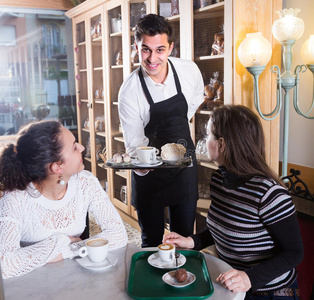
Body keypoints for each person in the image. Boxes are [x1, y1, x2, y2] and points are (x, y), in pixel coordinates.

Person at [163, 105, 304, 299]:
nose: (205, 141)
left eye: (208, 135)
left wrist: (249, 278)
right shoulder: (219, 180)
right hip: (232, 284)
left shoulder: (269, 194)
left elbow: (295, 253)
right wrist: (192, 241)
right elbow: (223, 228)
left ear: (221, 144)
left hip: (269, 292)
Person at [0, 120, 128, 279]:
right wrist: (61, 241)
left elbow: (118, 234)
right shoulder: (14, 198)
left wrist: (69, 249)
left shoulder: (85, 182)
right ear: (57, 167)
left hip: (76, 277)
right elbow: (4, 264)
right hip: (31, 286)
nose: (81, 148)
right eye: (74, 147)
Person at [118, 14, 204, 247]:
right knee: (152, 240)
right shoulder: (129, 92)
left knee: (183, 238)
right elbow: (135, 144)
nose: (153, 58)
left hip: (184, 167)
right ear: (136, 47)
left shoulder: (189, 71)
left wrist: (178, 125)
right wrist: (145, 165)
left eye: (160, 50)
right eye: (145, 50)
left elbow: (196, 98)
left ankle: (181, 280)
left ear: (171, 48)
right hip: (150, 175)